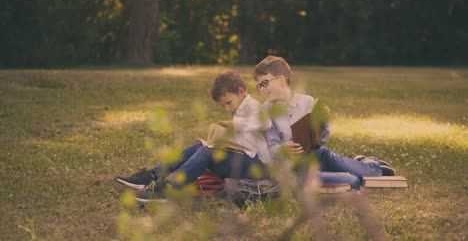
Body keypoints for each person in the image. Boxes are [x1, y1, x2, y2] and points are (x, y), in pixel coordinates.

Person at [116, 70, 271, 202]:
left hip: (257, 167)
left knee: (207, 152)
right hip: (243, 159)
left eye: (228, 103)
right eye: (224, 105)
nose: (227, 108)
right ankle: (151, 175)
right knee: (201, 146)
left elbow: (265, 123)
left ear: (242, 91)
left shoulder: (253, 106)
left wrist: (233, 124)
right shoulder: (241, 109)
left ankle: (170, 189)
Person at [253, 56, 395, 189]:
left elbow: (320, 141)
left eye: (265, 83)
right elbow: (272, 148)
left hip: (319, 155)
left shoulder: (307, 101)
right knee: (353, 181)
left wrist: (324, 121)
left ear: (282, 80)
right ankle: (354, 167)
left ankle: (368, 162)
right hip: (297, 169)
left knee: (374, 173)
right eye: (259, 86)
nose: (262, 89)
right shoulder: (266, 112)